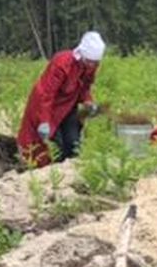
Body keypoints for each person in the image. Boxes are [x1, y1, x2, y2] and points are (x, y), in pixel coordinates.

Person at [18, 31, 105, 167]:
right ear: (82, 55)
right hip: (47, 106)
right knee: (52, 147)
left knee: (73, 144)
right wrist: (44, 121)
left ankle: (69, 169)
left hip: (69, 106)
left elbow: (85, 87)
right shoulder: (62, 63)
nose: (92, 66)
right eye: (89, 62)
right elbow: (46, 93)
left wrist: (88, 102)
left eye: (95, 63)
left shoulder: (91, 66)